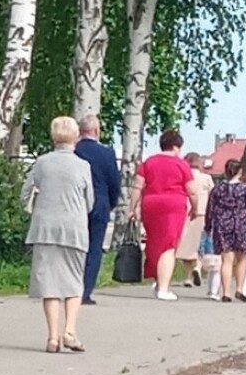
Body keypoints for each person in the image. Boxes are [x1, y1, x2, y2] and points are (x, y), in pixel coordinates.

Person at [21, 115, 94, 352]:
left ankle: (53, 338)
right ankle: (70, 331)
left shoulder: (42, 162)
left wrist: (35, 208)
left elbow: (25, 192)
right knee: (74, 281)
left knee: (49, 283)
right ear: (75, 137)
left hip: (45, 229)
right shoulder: (83, 165)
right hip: (74, 229)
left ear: (53, 137)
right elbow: (90, 202)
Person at [128, 129, 198, 301]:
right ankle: (164, 289)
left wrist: (132, 208)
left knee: (154, 241)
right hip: (173, 204)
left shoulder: (149, 162)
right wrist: (195, 208)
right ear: (175, 147)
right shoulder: (181, 164)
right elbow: (192, 191)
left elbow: (138, 186)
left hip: (150, 203)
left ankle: (158, 281)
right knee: (169, 245)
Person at [74, 114, 121, 305]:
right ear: (96, 130)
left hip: (76, 204)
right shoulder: (107, 153)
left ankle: (68, 287)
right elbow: (114, 182)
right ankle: (84, 292)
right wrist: (111, 202)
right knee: (94, 248)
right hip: (99, 205)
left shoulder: (74, 151)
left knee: (74, 247)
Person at [204, 158, 246, 303]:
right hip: (240, 225)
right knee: (242, 258)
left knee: (226, 260)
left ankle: (226, 292)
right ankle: (240, 289)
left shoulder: (218, 188)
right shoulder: (245, 188)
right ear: (240, 172)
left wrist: (208, 226)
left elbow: (210, 209)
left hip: (222, 225)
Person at [176, 152, 214, 287]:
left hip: (186, 212)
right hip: (203, 213)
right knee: (200, 244)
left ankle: (187, 278)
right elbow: (213, 196)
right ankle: (197, 267)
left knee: (186, 245)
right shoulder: (206, 178)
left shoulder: (183, 176)